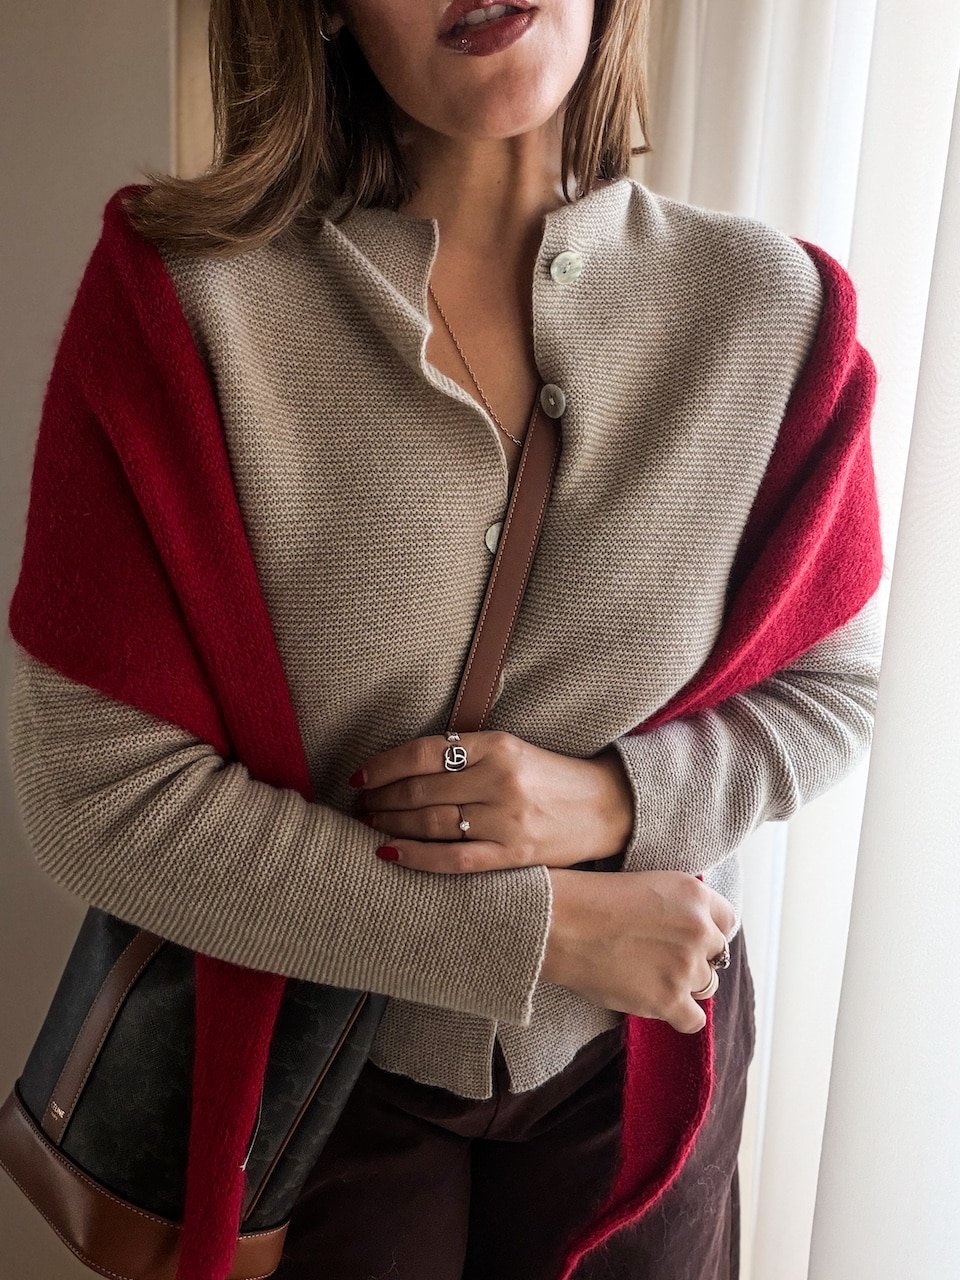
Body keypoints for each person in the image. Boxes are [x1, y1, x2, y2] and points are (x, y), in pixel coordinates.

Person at [6, 0, 883, 1276]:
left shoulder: (776, 312)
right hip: (312, 1083)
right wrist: (541, 930)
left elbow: (834, 685)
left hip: (643, 1058)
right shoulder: (184, 306)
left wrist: (617, 800)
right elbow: (97, 794)